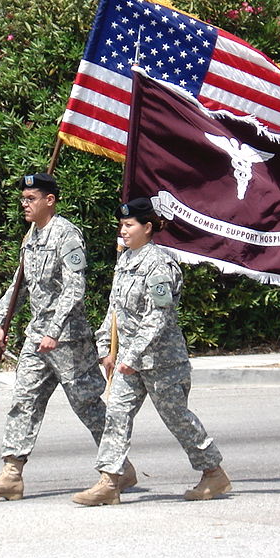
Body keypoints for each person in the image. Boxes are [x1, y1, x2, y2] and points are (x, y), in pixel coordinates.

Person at [0, 173, 136, 501]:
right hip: (38, 339)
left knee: (88, 405)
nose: (24, 205)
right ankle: (11, 474)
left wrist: (54, 330)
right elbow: (21, 283)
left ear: (49, 200)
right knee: (24, 401)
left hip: (68, 341)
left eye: (31, 199)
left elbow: (75, 286)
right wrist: (2, 320)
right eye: (23, 199)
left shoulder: (66, 235)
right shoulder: (31, 236)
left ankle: (119, 468)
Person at [72, 197, 231, 506]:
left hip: (162, 361)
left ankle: (214, 473)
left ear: (147, 227)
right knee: (116, 415)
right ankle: (109, 480)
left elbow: (159, 317)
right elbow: (115, 309)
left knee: (177, 418)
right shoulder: (125, 260)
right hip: (129, 362)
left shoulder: (159, 264)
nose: (123, 230)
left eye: (129, 225)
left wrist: (131, 356)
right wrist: (106, 346)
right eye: (121, 225)